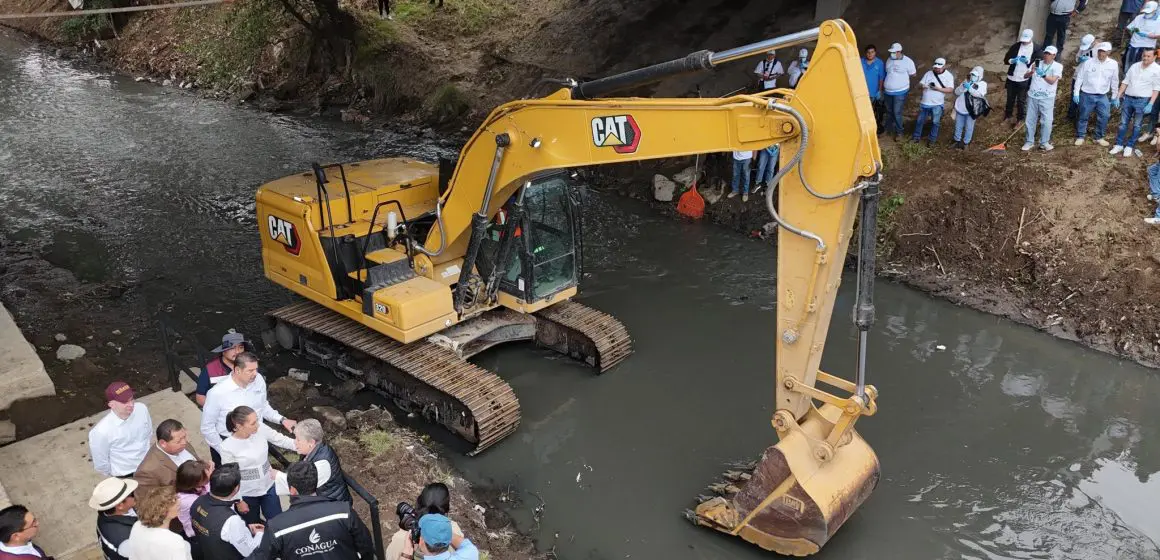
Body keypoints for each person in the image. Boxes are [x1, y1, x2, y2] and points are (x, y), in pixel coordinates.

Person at [250, 462, 374, 560]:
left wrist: (264, 535)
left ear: (292, 490)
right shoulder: (344, 511)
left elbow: (261, 556)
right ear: (316, 483)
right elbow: (366, 545)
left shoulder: (277, 527)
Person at [201, 352, 296, 467]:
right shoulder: (217, 393)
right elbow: (207, 427)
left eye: (256, 369)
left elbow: (263, 406)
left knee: (258, 472)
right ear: (237, 370)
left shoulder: (258, 380)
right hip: (227, 440)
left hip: (255, 434)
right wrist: (225, 450)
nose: (255, 374)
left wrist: (282, 419)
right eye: (250, 371)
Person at [218, 406, 296, 524]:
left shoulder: (261, 430)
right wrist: (238, 500)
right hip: (247, 493)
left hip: (269, 486)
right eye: (253, 423)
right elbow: (230, 476)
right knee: (252, 525)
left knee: (278, 522)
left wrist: (302, 446)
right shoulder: (227, 447)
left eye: (257, 420)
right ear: (239, 426)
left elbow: (280, 439)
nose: (258, 425)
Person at [190, 464, 264, 560]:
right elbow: (249, 550)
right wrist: (259, 534)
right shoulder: (231, 521)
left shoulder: (198, 502)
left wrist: (245, 528)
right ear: (236, 488)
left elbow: (215, 529)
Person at [277, 419, 351, 504]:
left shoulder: (322, 463)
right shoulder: (316, 449)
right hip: (330, 500)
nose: (295, 442)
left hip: (335, 507)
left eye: (298, 439)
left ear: (311, 442)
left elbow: (301, 483)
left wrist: (277, 476)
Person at [89, 381, 152, 479]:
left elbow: (148, 433)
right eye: (124, 402)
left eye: (131, 399)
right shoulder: (101, 432)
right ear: (111, 404)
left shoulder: (142, 409)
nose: (131, 404)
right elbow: (101, 463)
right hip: (126, 475)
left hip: (148, 465)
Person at [386, 483, 464, 560]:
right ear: (446, 510)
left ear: (418, 505)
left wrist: (406, 554)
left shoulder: (400, 540)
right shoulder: (455, 530)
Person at [1111, 48, 1160, 157]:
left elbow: (1156, 88)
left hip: (1142, 101)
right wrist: (1118, 95)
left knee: (1137, 125)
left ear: (1155, 57)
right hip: (1128, 99)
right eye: (1144, 55)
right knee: (1123, 123)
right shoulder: (1135, 66)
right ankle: (1119, 144)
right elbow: (1125, 82)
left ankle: (1129, 145)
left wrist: (1151, 103)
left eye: (1148, 56)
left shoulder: (1157, 70)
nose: (1145, 58)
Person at [134, 419, 203, 496]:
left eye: (184, 437)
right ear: (163, 443)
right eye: (179, 441)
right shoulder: (147, 471)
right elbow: (147, 502)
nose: (184, 442)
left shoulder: (182, 444)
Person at [1074, 42, 1121, 146]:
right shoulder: (1089, 62)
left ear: (1108, 52)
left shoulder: (1113, 64)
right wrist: (1076, 92)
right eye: (1099, 51)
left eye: (1103, 52)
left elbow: (1114, 81)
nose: (1101, 53)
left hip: (1102, 96)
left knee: (1104, 116)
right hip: (1087, 94)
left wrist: (1114, 96)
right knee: (1083, 116)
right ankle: (1080, 136)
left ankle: (1099, 137)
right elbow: (1080, 77)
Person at [125, 487, 192, 560]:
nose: (178, 502)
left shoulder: (137, 525)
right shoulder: (175, 541)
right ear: (163, 511)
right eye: (173, 501)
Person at [1024, 45, 1065, 151]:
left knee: (1047, 120)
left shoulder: (1058, 66)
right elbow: (1025, 76)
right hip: (1033, 95)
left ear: (1054, 55)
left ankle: (1044, 142)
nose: (1046, 55)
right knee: (1030, 119)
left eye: (1049, 54)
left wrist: (1043, 75)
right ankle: (1029, 141)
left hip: (1047, 97)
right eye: (1045, 53)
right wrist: (1031, 72)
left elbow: (1052, 81)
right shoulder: (1036, 63)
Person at [90, 477, 138, 560]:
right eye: (132, 494)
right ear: (120, 505)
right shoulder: (125, 538)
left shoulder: (105, 515)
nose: (136, 494)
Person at [196, 331, 248, 407]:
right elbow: (200, 398)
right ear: (223, 351)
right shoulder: (210, 369)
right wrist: (220, 411)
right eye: (233, 347)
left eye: (241, 347)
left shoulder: (249, 365)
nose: (237, 352)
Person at [1002, 28, 1042, 125]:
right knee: (1010, 98)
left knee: (1021, 100)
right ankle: (1008, 115)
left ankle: (1020, 119)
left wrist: (1028, 61)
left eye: (1026, 40)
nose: (1024, 42)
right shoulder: (1016, 46)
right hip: (1012, 77)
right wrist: (1012, 61)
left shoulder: (1036, 48)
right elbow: (1006, 59)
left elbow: (1038, 61)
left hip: (1024, 78)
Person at [912, 57, 954, 145]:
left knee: (935, 122)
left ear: (944, 67)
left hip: (937, 103)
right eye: (935, 68)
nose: (936, 69)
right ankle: (916, 138)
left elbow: (950, 89)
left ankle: (932, 140)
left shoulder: (949, 76)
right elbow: (919, 84)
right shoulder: (928, 73)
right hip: (925, 102)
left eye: (939, 68)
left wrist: (938, 89)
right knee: (920, 121)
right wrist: (923, 86)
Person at [400, 514, 478, 560]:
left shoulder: (471, 551)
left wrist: (406, 551)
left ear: (421, 541)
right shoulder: (470, 554)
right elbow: (465, 544)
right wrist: (441, 533)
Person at [883, 42, 916, 140]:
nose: (892, 54)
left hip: (900, 91)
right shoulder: (889, 59)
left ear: (899, 52)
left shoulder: (908, 61)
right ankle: (888, 129)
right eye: (891, 52)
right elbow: (887, 72)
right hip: (888, 91)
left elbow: (913, 74)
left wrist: (901, 78)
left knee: (897, 112)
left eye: (894, 52)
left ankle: (899, 132)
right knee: (889, 111)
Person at [176, 460, 214, 540]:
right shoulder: (188, 500)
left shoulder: (195, 486)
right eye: (206, 477)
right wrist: (212, 480)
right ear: (196, 482)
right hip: (197, 535)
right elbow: (213, 502)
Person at [952, 67, 989, 150]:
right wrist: (963, 86)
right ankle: (956, 141)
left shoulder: (982, 84)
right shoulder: (966, 81)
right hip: (960, 108)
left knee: (969, 127)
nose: (973, 76)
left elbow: (979, 94)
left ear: (979, 76)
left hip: (972, 110)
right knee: (958, 126)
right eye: (972, 74)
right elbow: (956, 92)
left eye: (975, 75)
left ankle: (966, 143)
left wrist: (969, 88)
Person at [1069, 34, 1097, 122]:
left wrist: (1090, 60)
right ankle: (1071, 116)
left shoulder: (1098, 50)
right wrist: (1080, 59)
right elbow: (1077, 59)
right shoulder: (1083, 48)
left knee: (1083, 100)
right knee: (1074, 97)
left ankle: (1080, 119)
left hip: (1088, 78)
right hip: (1077, 75)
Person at [1125, 1, 1160, 71]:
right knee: (1129, 64)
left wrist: (1154, 36)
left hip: (1147, 47)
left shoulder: (1158, 20)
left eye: (1149, 12)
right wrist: (1133, 31)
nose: (1147, 13)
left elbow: (1158, 35)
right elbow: (1129, 28)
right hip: (1133, 44)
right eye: (1146, 12)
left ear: (1155, 11)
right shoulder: (1139, 17)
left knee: (1142, 66)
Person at [861, 44, 887, 133]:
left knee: (873, 112)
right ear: (865, 53)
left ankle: (872, 130)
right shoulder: (861, 62)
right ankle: (864, 130)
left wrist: (879, 91)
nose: (870, 54)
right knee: (863, 112)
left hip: (873, 93)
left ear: (875, 53)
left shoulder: (879, 63)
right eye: (868, 52)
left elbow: (881, 78)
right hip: (862, 93)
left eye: (872, 52)